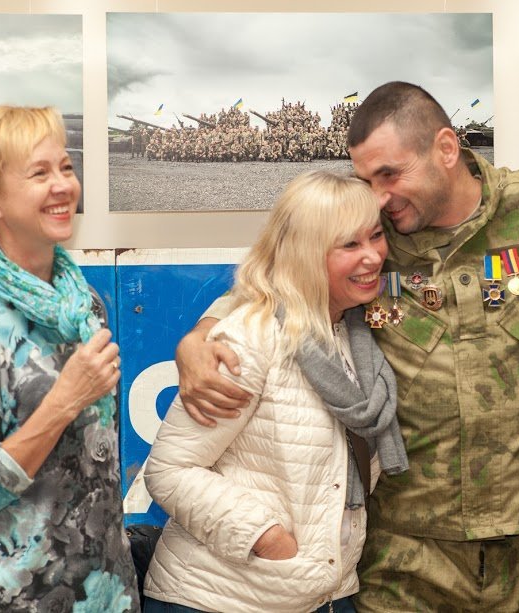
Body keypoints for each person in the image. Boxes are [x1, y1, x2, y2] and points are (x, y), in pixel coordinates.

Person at [174, 81, 519, 610]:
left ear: (447, 149)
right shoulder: (370, 236)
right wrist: (199, 338)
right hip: (402, 547)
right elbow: (278, 285)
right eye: (366, 179)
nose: (379, 196)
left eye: (390, 174)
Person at [142, 170, 408, 613]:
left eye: (376, 237)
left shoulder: (352, 336)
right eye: (350, 245)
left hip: (322, 593)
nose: (373, 257)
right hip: (222, 599)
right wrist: (267, 538)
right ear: (307, 254)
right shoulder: (250, 338)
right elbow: (170, 471)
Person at [0, 106, 138, 611]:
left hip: (104, 594)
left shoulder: (83, 305)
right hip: (8, 600)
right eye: (40, 173)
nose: (63, 185)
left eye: (65, 167)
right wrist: (63, 402)